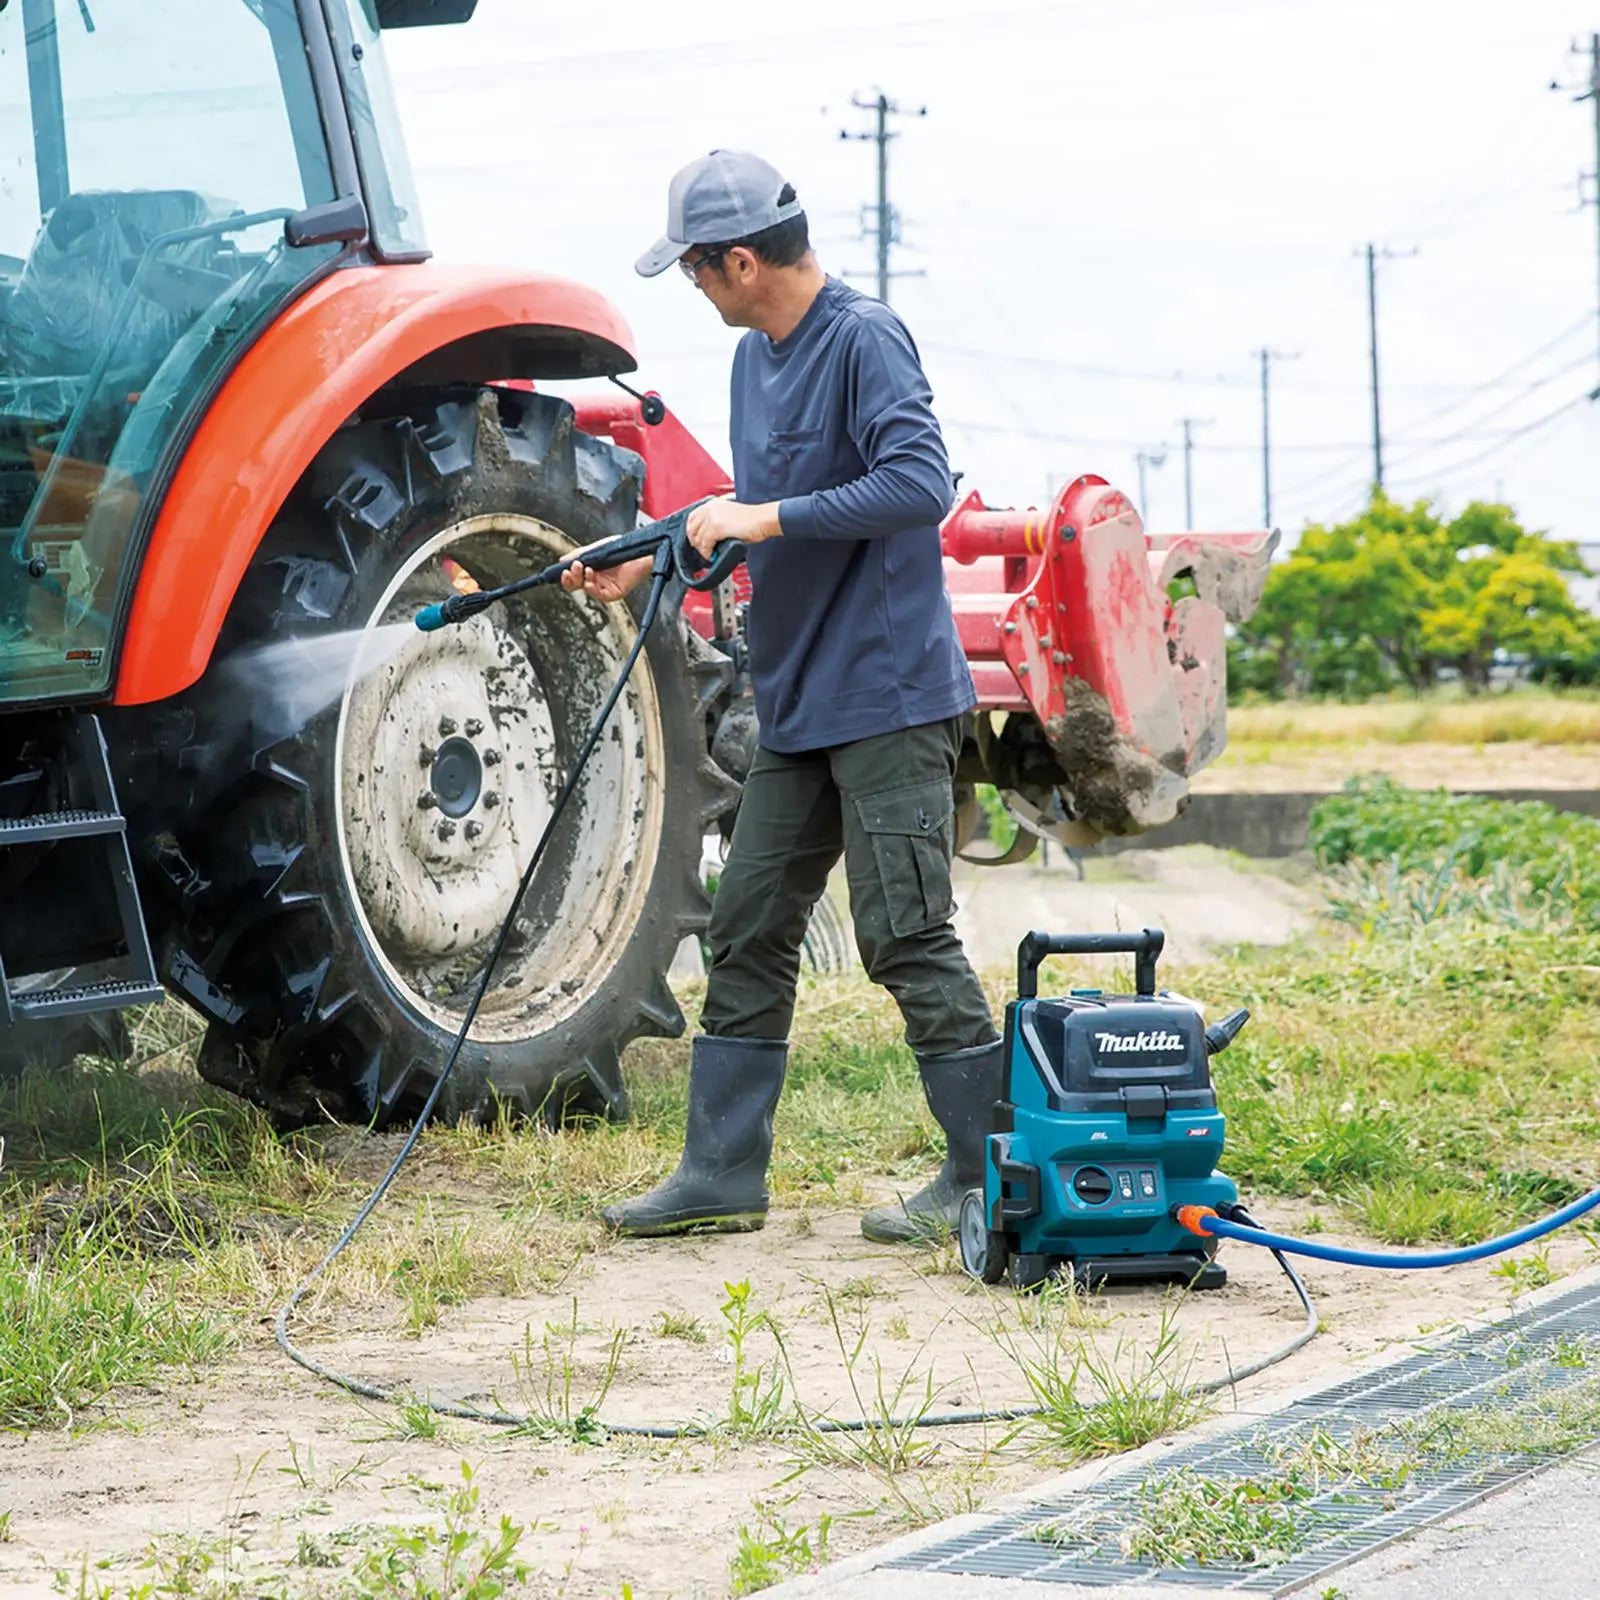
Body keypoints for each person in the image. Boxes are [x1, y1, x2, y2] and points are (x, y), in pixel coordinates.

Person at [563, 149, 999, 1245]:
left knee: (904, 934)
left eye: (697, 272)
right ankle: (720, 1174)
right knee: (749, 923)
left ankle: (985, 1175)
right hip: (799, 703)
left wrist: (760, 519)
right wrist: (647, 553)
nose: (695, 290)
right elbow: (742, 507)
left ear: (741, 259)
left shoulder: (863, 338)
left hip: (890, 697)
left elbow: (919, 484)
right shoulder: (756, 361)